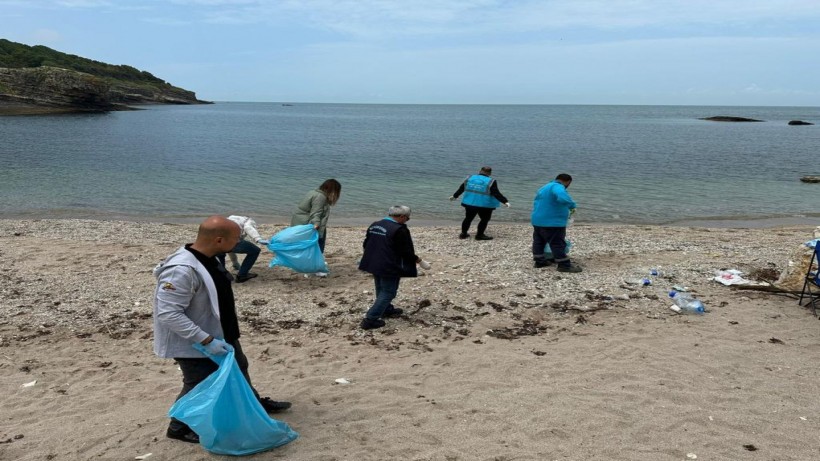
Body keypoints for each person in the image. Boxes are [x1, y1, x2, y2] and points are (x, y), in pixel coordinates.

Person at [153, 215, 292, 444]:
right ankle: (178, 427)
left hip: (223, 331)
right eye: (236, 240)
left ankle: (253, 406)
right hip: (199, 340)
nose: (238, 244)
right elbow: (168, 314)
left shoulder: (210, 257)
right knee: (198, 382)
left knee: (240, 367)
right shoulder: (181, 270)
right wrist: (206, 340)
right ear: (219, 240)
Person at [358, 205, 431, 330]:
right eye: (407, 218)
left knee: (380, 287)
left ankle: (386, 309)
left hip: (373, 261)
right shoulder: (399, 229)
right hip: (389, 264)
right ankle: (371, 319)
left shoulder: (375, 224)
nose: (407, 221)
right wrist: (419, 261)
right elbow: (405, 251)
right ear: (402, 217)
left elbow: (366, 243)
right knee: (388, 291)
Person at [531, 173, 582, 273]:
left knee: (539, 241)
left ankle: (539, 261)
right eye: (569, 184)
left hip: (537, 220)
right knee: (557, 242)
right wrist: (572, 205)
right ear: (567, 181)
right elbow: (563, 197)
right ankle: (564, 265)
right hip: (552, 222)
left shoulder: (544, 187)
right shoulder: (558, 187)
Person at [450, 166, 510, 240]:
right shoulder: (491, 181)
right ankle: (479, 235)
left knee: (468, 218)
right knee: (484, 219)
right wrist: (505, 201)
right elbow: (496, 193)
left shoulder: (470, 178)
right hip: (484, 205)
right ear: (490, 173)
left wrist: (455, 196)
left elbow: (462, 188)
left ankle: (463, 234)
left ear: (480, 171)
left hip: (470, 203)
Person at [291, 179, 342, 254]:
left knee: (303, 245)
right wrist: (316, 225)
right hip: (309, 223)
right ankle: (314, 262)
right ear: (332, 190)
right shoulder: (320, 197)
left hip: (300, 222)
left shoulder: (313, 192)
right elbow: (316, 212)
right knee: (318, 244)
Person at [222, 215, 268, 283]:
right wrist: (258, 239)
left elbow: (228, 249)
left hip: (216, 240)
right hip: (231, 241)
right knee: (255, 251)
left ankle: (221, 276)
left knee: (221, 253)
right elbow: (248, 227)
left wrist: (235, 263)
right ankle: (242, 275)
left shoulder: (229, 218)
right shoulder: (248, 221)